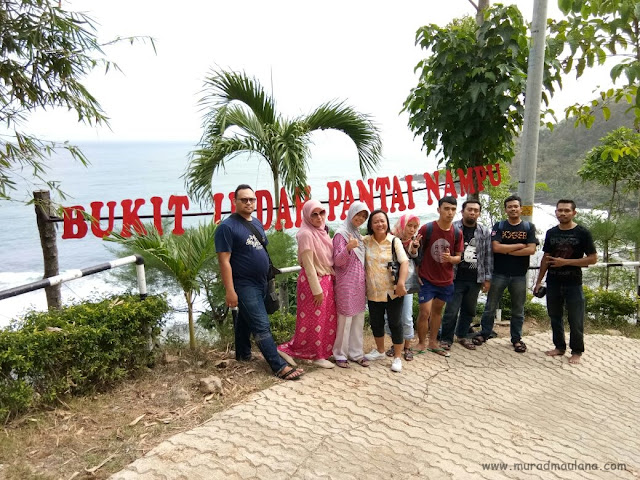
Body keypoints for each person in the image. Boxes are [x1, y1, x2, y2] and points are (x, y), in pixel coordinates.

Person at [215, 184, 303, 380]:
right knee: (261, 325)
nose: (248, 202)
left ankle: (243, 354)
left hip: (262, 281)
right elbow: (224, 261)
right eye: (244, 199)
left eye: (251, 199)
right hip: (244, 284)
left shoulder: (256, 222)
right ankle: (278, 366)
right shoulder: (226, 227)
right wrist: (230, 290)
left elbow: (260, 250)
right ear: (235, 201)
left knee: (246, 320)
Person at [534, 199, 597, 365]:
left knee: (575, 318)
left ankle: (576, 351)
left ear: (574, 213)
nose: (562, 213)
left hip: (573, 283)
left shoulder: (583, 233)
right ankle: (559, 347)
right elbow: (546, 258)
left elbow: (592, 259)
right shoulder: (551, 233)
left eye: (566, 210)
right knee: (555, 316)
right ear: (556, 212)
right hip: (553, 282)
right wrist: (539, 281)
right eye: (560, 210)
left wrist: (566, 262)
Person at [474, 194, 538, 353]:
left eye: (516, 206)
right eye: (510, 207)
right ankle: (485, 333)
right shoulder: (499, 226)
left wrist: (507, 250)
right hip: (499, 273)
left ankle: (516, 339)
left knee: (518, 309)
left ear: (521, 209)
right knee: (490, 306)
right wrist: (518, 246)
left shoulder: (528, 227)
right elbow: (496, 248)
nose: (513, 209)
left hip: (519, 275)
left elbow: (531, 249)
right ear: (506, 210)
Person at [278, 200, 337, 369]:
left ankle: (320, 352)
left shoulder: (322, 232)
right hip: (314, 282)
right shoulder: (306, 234)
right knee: (313, 320)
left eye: (321, 213)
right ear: (307, 216)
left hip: (325, 279)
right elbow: (309, 265)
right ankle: (314, 355)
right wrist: (316, 289)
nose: (319, 217)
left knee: (324, 319)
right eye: (314, 214)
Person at [439, 200, 492, 351]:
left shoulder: (484, 231)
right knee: (451, 310)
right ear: (462, 211)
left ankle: (462, 335)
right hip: (454, 277)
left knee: (469, 310)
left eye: (476, 210)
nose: (473, 212)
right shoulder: (453, 228)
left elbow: (488, 256)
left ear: (479, 213)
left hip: (475, 277)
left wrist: (487, 278)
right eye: (469, 209)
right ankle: (446, 339)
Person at [415, 196, 464, 357]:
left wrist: (451, 259)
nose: (450, 212)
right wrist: (416, 273)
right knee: (424, 312)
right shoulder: (426, 229)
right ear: (439, 210)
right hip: (427, 278)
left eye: (453, 209)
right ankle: (421, 343)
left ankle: (433, 342)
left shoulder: (457, 233)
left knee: (437, 312)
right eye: (446, 208)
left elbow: (459, 257)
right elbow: (414, 252)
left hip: (445, 280)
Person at [362, 209, 409, 372]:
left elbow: (404, 262)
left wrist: (402, 282)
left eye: (382, 221)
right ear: (371, 225)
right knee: (376, 322)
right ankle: (380, 351)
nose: (380, 224)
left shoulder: (394, 241)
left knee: (395, 323)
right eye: (376, 221)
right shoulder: (366, 241)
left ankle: (397, 357)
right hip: (373, 291)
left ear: (387, 223)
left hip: (393, 290)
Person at [332, 201, 370, 368]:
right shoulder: (341, 234)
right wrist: (348, 247)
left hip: (359, 283)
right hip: (346, 283)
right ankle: (340, 353)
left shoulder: (357, 233)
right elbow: (337, 261)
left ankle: (356, 353)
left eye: (363, 216)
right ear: (350, 213)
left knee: (358, 318)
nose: (360, 218)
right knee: (345, 319)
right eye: (358, 214)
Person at [384, 214, 421, 361]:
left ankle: (407, 346)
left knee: (406, 315)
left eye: (415, 227)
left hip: (406, 283)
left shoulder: (414, 242)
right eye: (409, 225)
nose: (412, 230)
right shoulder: (390, 238)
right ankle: (395, 344)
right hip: (390, 281)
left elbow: (416, 258)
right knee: (392, 316)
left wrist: (414, 249)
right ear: (402, 225)